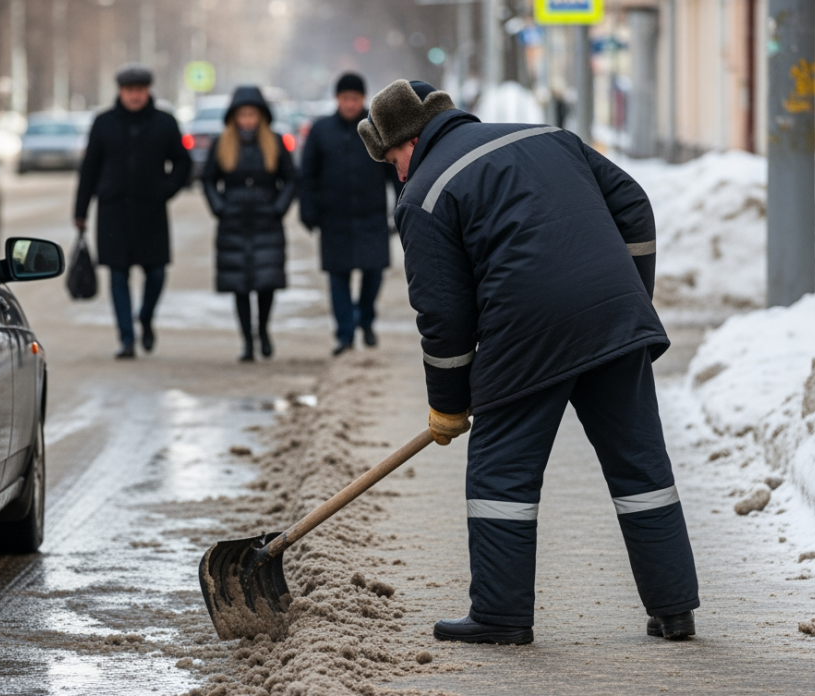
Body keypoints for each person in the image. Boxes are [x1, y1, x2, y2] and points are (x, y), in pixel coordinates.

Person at [358, 80, 699, 645]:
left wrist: (447, 402)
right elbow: (634, 206)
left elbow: (442, 314)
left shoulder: (426, 193)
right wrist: (628, 297)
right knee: (641, 468)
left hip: (527, 335)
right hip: (614, 322)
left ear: (408, 141)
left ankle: (500, 614)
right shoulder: (551, 137)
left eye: (391, 158)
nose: (395, 172)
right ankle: (675, 609)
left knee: (501, 472)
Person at [74, 63, 191, 359]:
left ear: (148, 91)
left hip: (151, 211)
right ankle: (126, 338)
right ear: (120, 92)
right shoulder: (104, 123)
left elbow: (182, 162)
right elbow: (89, 170)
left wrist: (167, 189)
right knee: (117, 276)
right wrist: (81, 211)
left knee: (156, 274)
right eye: (129, 91)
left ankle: (146, 317)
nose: (134, 96)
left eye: (139, 90)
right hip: (113, 211)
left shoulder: (165, 122)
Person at [299, 73, 401, 356]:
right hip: (334, 219)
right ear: (337, 99)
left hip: (371, 217)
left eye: (354, 98)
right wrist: (308, 210)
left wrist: (402, 204)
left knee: (374, 274)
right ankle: (345, 334)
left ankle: (365, 320)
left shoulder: (378, 128)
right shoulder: (320, 131)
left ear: (363, 99)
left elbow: (394, 169)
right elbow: (307, 175)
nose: (349, 104)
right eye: (345, 98)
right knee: (338, 279)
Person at [202, 86, 297, 362]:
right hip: (233, 222)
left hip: (266, 220)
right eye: (242, 114)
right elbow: (208, 179)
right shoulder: (222, 143)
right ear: (234, 117)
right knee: (240, 285)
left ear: (261, 116)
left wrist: (279, 208)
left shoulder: (275, 142)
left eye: (252, 114)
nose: (247, 120)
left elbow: (291, 178)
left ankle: (263, 330)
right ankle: (247, 341)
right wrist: (219, 207)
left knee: (266, 282)